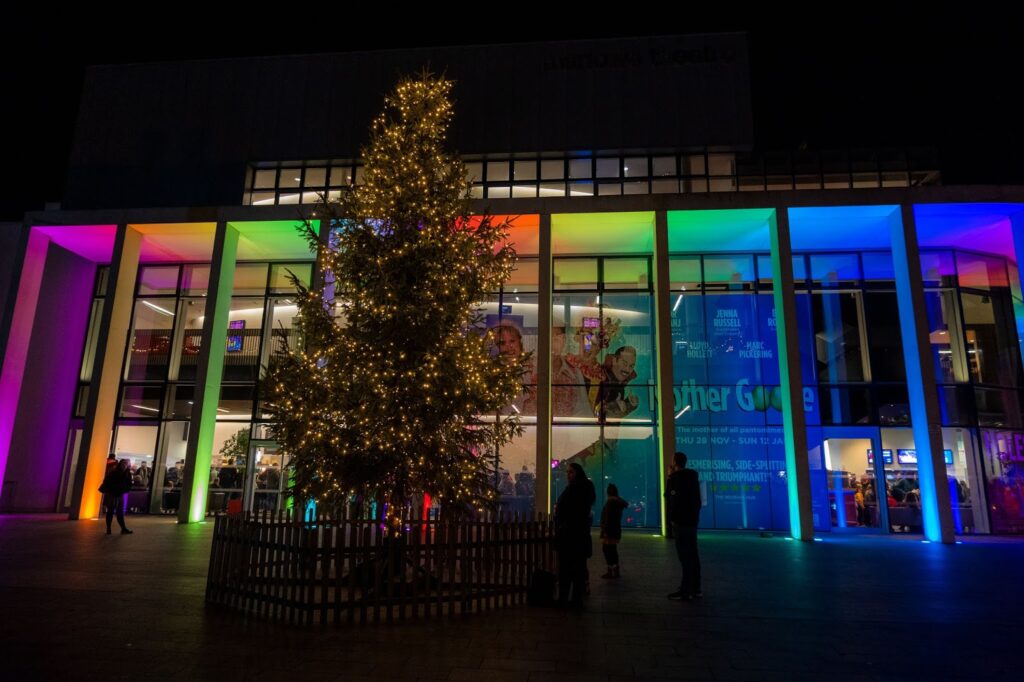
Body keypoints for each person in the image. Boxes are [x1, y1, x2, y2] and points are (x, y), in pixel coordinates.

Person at [554, 462, 595, 608]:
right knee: (578, 568)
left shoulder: (574, 489)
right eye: (567, 472)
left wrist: (561, 518)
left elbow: (567, 509)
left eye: (570, 472)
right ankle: (576, 599)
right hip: (579, 535)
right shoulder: (585, 488)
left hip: (569, 535)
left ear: (577, 472)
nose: (568, 475)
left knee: (566, 569)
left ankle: (565, 599)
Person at [665, 451, 701, 600]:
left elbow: (669, 496)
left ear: (674, 462)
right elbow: (697, 501)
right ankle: (696, 588)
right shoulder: (693, 478)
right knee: (693, 555)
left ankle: (686, 591)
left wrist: (669, 477)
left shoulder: (675, 478)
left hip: (680, 522)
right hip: (692, 522)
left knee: (684, 557)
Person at [599, 484, 629, 579]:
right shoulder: (617, 502)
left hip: (609, 531)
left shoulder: (610, 502)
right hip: (615, 530)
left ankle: (611, 569)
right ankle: (615, 569)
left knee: (607, 549)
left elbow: (607, 518)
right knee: (612, 549)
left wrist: (605, 531)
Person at [100, 459, 134, 535]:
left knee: (119, 512)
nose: (124, 465)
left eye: (126, 464)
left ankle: (122, 528)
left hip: (119, 494)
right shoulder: (115, 473)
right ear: (120, 464)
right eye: (123, 464)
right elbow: (107, 482)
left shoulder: (127, 473)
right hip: (113, 494)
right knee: (111, 511)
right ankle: (110, 528)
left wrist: (126, 490)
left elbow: (128, 484)